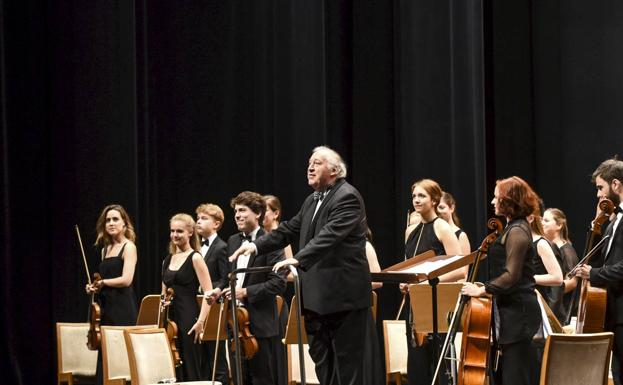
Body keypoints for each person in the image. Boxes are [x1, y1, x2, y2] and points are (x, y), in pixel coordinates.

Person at [230, 146, 382, 385]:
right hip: (315, 300)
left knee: (347, 368)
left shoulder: (347, 196)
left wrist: (299, 258)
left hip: (343, 298)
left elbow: (330, 235)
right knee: (323, 365)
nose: (310, 167)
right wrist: (257, 246)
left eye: (317, 163)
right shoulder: (311, 200)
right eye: (309, 163)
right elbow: (289, 229)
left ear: (334, 171)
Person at [462, 176, 541, 385]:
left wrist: (482, 289)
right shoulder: (512, 228)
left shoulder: (517, 231)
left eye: (497, 197)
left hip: (520, 315)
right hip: (510, 313)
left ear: (509, 200)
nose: (492, 202)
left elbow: (511, 276)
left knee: (516, 377)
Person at [209, 191, 286, 385]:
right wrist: (219, 290)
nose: (237, 215)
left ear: (258, 213)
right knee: (239, 378)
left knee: (262, 380)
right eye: (236, 211)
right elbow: (229, 278)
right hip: (236, 323)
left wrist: (246, 292)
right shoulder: (233, 241)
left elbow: (278, 283)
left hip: (260, 325)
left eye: (243, 210)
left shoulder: (272, 241)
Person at [401, 179, 462, 385]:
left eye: (422, 196)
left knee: (438, 363)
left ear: (434, 200)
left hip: (437, 304)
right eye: (414, 196)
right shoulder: (411, 231)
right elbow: (409, 268)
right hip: (415, 304)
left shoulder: (443, 228)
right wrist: (406, 281)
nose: (416, 200)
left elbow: (460, 270)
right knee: (417, 363)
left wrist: (427, 283)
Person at [576, 158, 623, 385]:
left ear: (615, 185)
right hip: (614, 312)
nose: (598, 195)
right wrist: (596, 223)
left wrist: (593, 274)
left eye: (600, 188)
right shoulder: (614, 221)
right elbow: (593, 256)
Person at [85, 204, 139, 385]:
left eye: (115, 219)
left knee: (122, 354)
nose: (111, 223)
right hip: (105, 308)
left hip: (122, 307)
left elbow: (126, 279)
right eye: (108, 220)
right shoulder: (104, 249)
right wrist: (93, 287)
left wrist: (102, 283)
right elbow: (103, 280)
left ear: (124, 223)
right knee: (106, 354)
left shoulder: (129, 247)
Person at [161, 213, 213, 381]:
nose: (175, 235)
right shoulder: (167, 260)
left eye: (180, 231)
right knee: (171, 364)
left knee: (190, 363)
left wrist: (201, 322)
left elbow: (208, 294)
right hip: (170, 319)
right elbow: (163, 293)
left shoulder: (195, 257)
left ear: (190, 232)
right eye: (172, 231)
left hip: (189, 317)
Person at [195, 203, 229, 384]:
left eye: (204, 218)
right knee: (201, 356)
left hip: (213, 305)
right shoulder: (195, 247)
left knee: (216, 354)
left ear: (216, 224)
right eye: (198, 218)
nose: (198, 222)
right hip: (196, 305)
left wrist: (207, 288)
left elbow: (225, 279)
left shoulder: (221, 247)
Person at [542, 208, 579, 323]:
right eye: (542, 220)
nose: (542, 223)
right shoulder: (551, 248)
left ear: (559, 225)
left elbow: (572, 282)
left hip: (561, 311)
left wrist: (549, 293)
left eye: (546, 220)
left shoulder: (567, 250)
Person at [528, 211, 563, 316]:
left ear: (530, 218)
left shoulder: (541, 243)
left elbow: (558, 278)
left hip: (535, 308)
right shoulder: (520, 242)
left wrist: (526, 279)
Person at [437, 191, 472, 256]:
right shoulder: (432, 234)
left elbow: (465, 265)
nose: (438, 211)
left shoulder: (461, 236)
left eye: (441, 207)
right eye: (435, 208)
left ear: (452, 208)